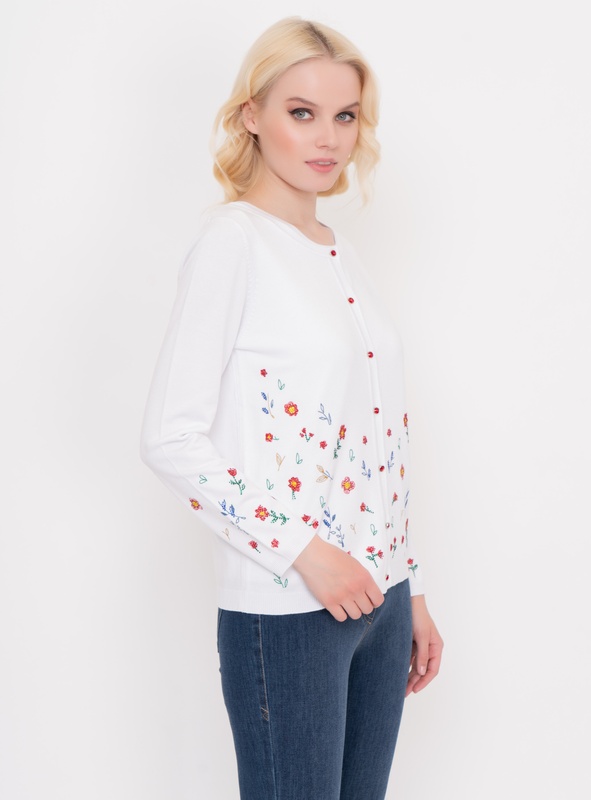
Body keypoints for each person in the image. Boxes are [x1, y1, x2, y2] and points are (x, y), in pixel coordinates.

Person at [141, 16, 443, 799]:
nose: (328, 137)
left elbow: (378, 438)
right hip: (289, 608)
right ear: (251, 114)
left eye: (345, 116)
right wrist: (306, 552)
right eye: (301, 112)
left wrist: (409, 586)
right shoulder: (233, 244)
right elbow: (170, 438)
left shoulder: (339, 254)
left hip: (380, 604)